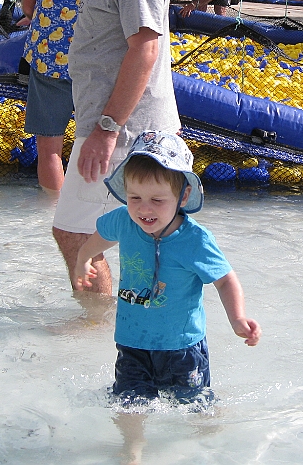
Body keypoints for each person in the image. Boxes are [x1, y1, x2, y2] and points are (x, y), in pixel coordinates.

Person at [47, 0, 181, 298]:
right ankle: (111, 323)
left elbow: (145, 47)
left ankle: (96, 325)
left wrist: (107, 129)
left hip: (124, 132)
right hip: (113, 126)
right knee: (110, 239)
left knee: (77, 234)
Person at [73, 131, 260, 407]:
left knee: (195, 408)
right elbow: (100, 237)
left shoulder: (195, 240)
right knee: (129, 407)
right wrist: (83, 258)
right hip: (132, 343)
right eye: (135, 197)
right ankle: (129, 438)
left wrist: (237, 318)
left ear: (183, 196)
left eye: (157, 200)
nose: (144, 209)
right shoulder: (124, 221)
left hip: (182, 348)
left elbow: (224, 280)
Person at [7, 0, 96, 193]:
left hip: (50, 57)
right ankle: (94, 211)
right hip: (96, 57)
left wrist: (41, 15)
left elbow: (28, 5)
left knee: (49, 150)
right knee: (98, 146)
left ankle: (52, 211)